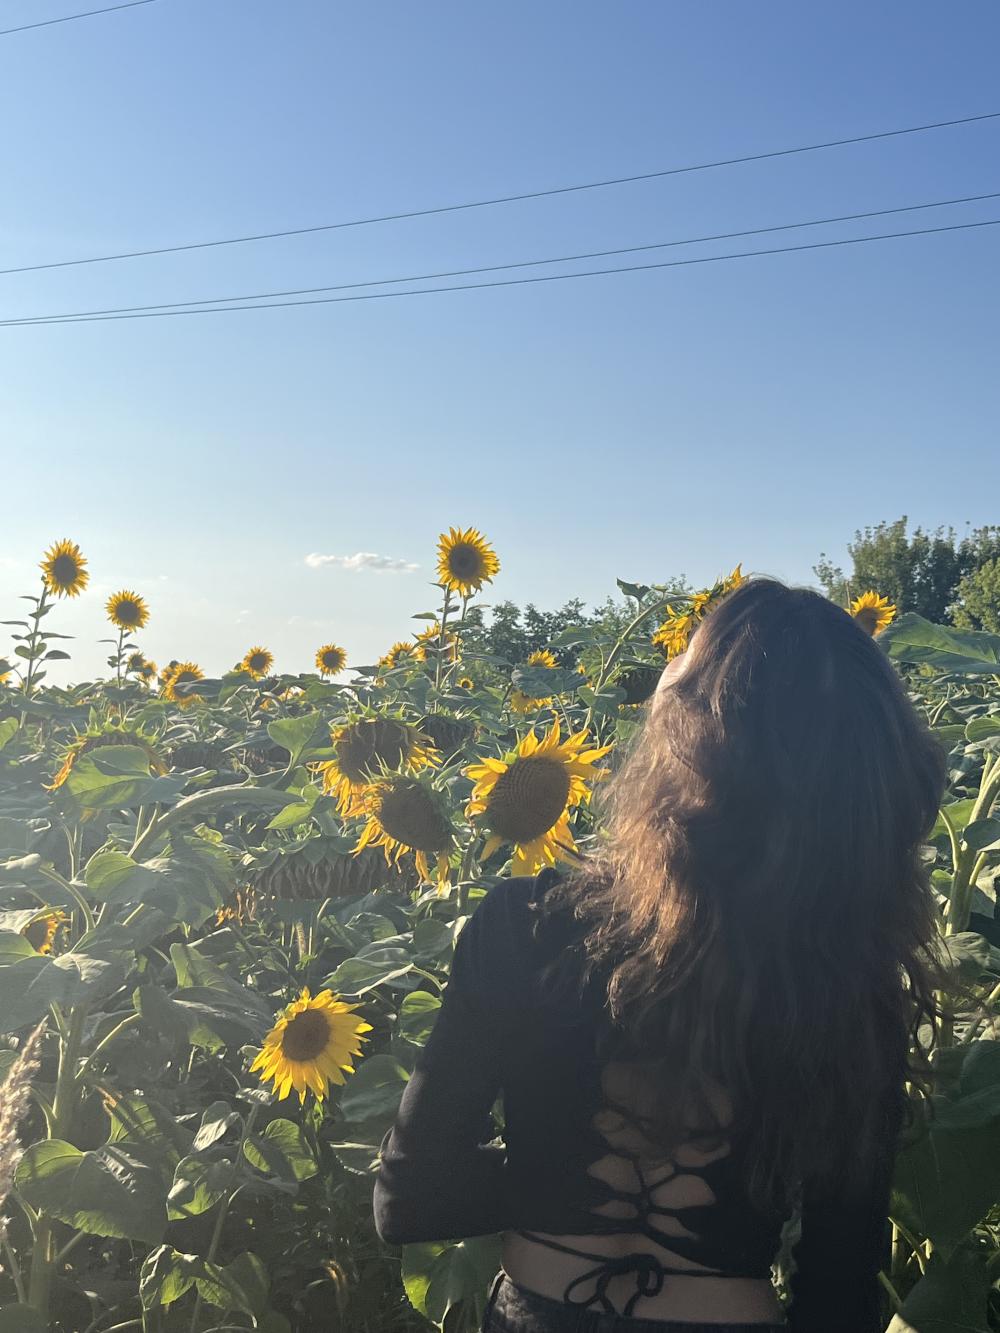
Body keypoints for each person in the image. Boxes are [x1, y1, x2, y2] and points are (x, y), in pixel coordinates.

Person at [373, 577, 947, 1333]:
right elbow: (839, 1290)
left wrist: (561, 1178)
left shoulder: (527, 923)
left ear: (682, 729)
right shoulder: (853, 985)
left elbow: (411, 1198)